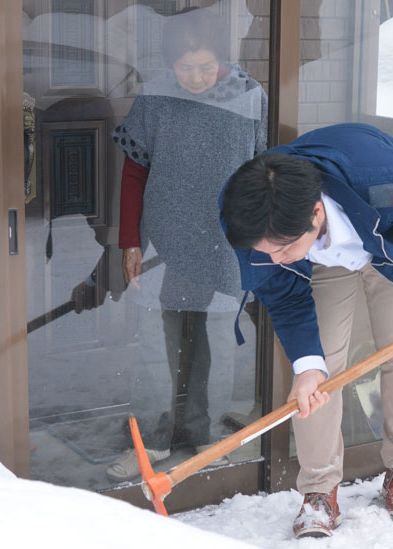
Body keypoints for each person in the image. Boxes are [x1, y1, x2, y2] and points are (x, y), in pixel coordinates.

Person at [221, 123, 393, 538]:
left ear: (316, 213)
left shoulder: (386, 182)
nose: (275, 259)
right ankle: (319, 491)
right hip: (319, 260)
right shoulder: (245, 214)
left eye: (282, 248)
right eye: (268, 251)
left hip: (386, 241)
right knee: (316, 378)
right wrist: (307, 364)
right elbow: (282, 292)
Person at [106, 8, 267, 482]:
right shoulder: (155, 97)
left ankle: (207, 435)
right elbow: (134, 173)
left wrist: (261, 240)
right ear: (169, 63)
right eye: (185, 68)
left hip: (226, 242)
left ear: (222, 58)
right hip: (164, 242)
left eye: (206, 67)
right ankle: (150, 440)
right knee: (157, 346)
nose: (196, 78)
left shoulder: (249, 97)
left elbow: (262, 172)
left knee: (218, 342)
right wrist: (130, 242)